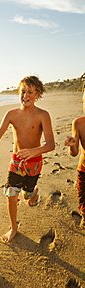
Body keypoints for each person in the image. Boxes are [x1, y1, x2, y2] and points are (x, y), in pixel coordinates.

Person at [0, 75, 55, 243]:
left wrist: (34, 151)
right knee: (11, 195)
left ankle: (32, 193)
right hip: (15, 162)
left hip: (34, 163)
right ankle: (13, 228)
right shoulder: (11, 114)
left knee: (26, 197)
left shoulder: (43, 115)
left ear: (38, 94)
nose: (25, 95)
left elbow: (51, 145)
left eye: (30, 92)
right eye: (22, 91)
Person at [65, 77, 85, 227]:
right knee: (83, 201)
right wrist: (72, 145)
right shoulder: (78, 123)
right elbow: (74, 153)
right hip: (83, 170)